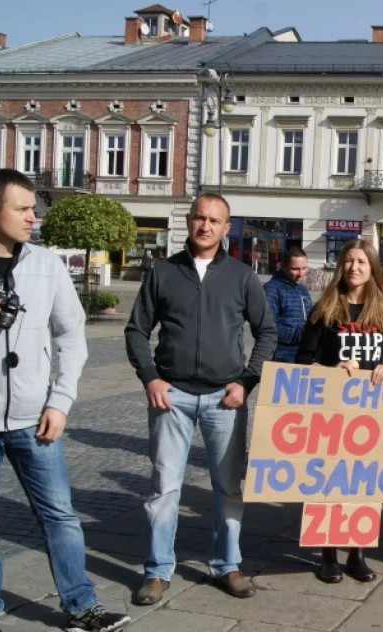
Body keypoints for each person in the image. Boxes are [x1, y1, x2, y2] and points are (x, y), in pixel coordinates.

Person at [0, 169, 131, 631]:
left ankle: (80, 605)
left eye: (35, 208)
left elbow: (72, 336)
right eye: (23, 209)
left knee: (61, 517)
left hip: (36, 417)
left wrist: (61, 400)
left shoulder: (47, 263)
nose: (35, 217)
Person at [125, 193, 277, 605]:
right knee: (164, 487)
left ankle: (227, 565)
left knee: (228, 488)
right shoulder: (162, 271)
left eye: (215, 220)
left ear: (227, 228)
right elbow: (137, 330)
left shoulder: (243, 277)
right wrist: (151, 378)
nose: (206, 226)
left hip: (224, 398)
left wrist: (247, 381)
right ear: (189, 221)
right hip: (170, 395)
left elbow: (267, 333)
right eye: (199, 218)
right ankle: (157, 571)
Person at [295, 239, 383, 582]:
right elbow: (303, 360)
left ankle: (357, 552)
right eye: (348, 261)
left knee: (364, 485)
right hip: (332, 410)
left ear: (372, 268)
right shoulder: (324, 308)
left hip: (371, 412)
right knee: (330, 481)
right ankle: (327, 553)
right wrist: (333, 367)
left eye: (361, 262)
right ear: (341, 266)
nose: (354, 267)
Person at [263, 247, 312, 363]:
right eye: (295, 269)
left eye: (304, 268)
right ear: (283, 266)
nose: (301, 274)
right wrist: (301, 335)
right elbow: (268, 327)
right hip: (280, 358)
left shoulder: (303, 290)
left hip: (302, 357)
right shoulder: (271, 290)